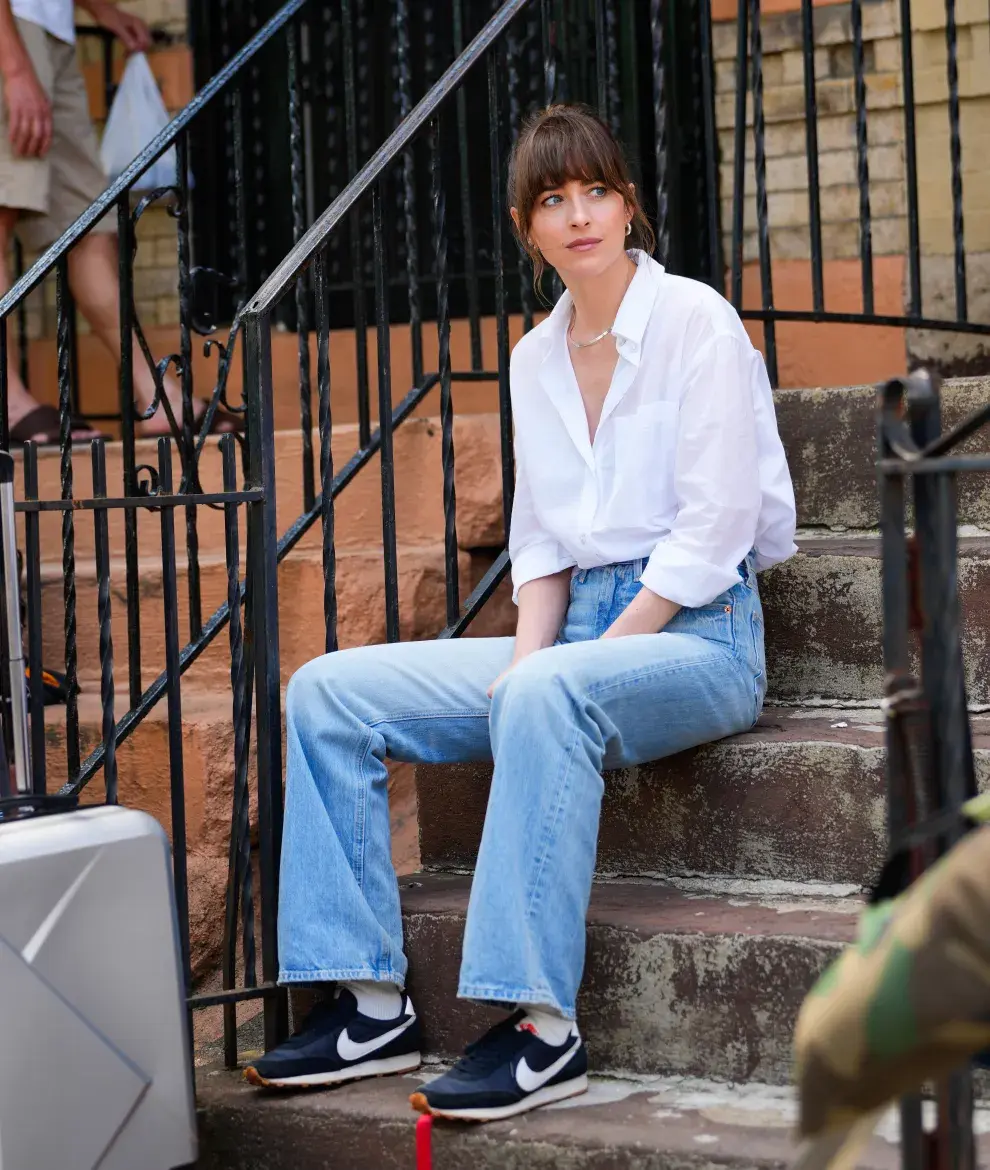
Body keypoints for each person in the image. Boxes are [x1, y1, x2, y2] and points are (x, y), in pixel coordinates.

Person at [244, 103, 798, 1122]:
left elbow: (713, 532)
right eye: (555, 200)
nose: (580, 215)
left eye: (597, 192)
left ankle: (543, 1029)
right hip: (577, 630)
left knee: (543, 693)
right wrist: (531, 657)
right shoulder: (533, 358)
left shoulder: (696, 324)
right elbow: (541, 541)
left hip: (701, 633)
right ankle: (367, 1004)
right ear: (525, 227)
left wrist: (558, 673)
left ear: (629, 205)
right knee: (327, 693)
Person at [0, 0, 241, 443]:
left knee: (90, 230)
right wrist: (13, 67)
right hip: (9, 35)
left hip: (51, 34)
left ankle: (157, 395)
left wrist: (102, 11)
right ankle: (10, 406)